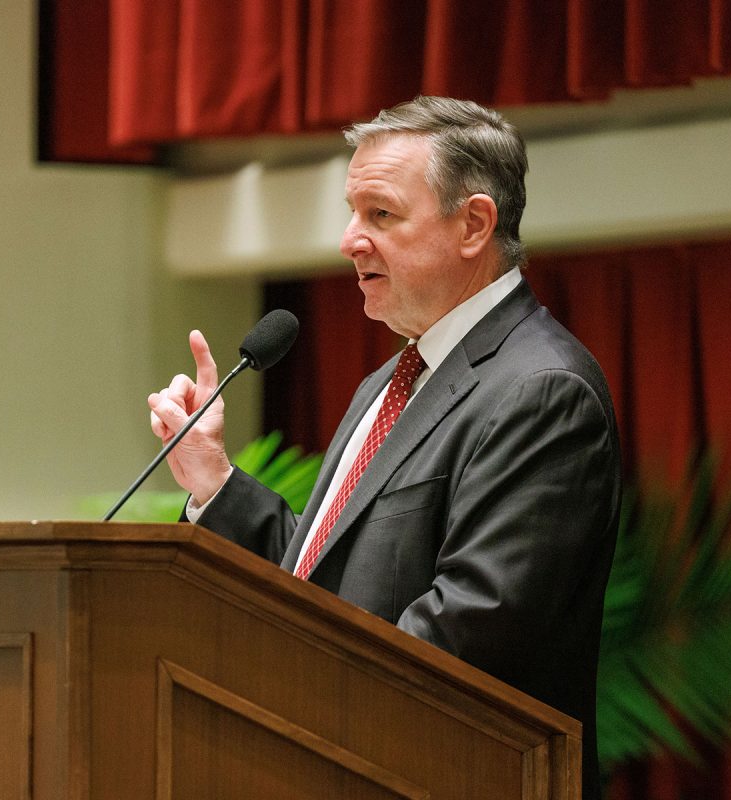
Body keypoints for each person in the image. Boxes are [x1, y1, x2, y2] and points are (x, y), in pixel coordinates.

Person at [147, 96, 621, 800]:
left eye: (380, 215)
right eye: (351, 212)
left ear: (474, 225)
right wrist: (213, 480)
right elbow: (319, 589)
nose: (348, 240)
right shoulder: (390, 382)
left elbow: (469, 639)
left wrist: (279, 701)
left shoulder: (541, 391)